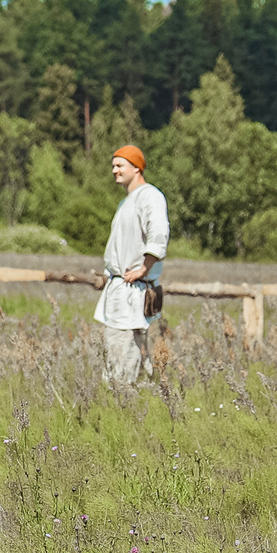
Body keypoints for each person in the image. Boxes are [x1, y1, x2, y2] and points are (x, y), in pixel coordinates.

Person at [96, 143, 168, 385]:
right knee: (119, 349)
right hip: (120, 287)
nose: (114, 170)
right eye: (113, 166)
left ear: (136, 167)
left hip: (134, 290)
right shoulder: (126, 201)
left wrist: (143, 269)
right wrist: (108, 275)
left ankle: (124, 399)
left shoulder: (150, 196)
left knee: (124, 351)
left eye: (120, 165)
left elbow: (158, 235)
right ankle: (128, 397)